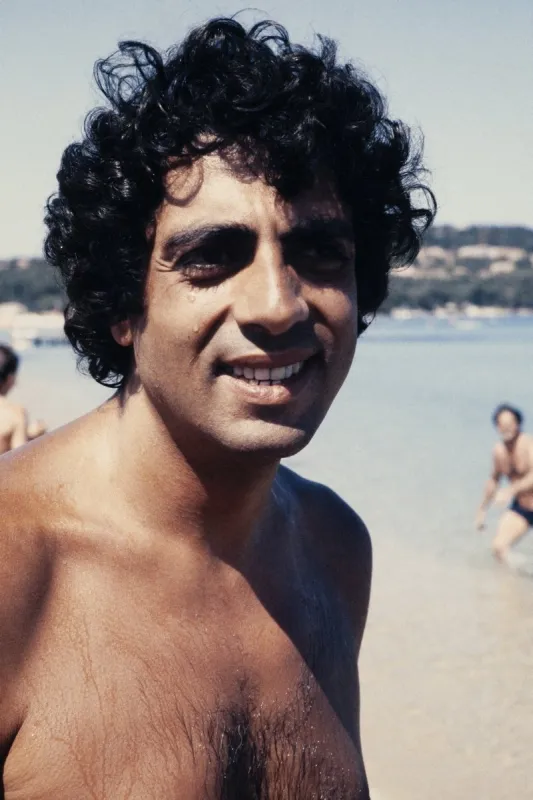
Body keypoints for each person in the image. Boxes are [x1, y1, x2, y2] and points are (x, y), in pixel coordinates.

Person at [0, 18, 435, 799]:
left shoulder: (334, 550)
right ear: (121, 305)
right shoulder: (14, 564)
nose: (277, 303)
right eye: (211, 257)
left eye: (319, 253)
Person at [476, 404, 533, 562]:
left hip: (519, 496)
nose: (506, 428)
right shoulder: (499, 451)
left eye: (510, 424)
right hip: (523, 509)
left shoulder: (528, 444)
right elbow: (494, 480)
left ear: (518, 424)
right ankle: (511, 584)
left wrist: (510, 490)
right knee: (499, 547)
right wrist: (482, 510)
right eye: (501, 425)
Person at [0, 343, 47, 454]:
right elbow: (19, 459)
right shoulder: (15, 413)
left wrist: (27, 433)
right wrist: (36, 439)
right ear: (10, 378)